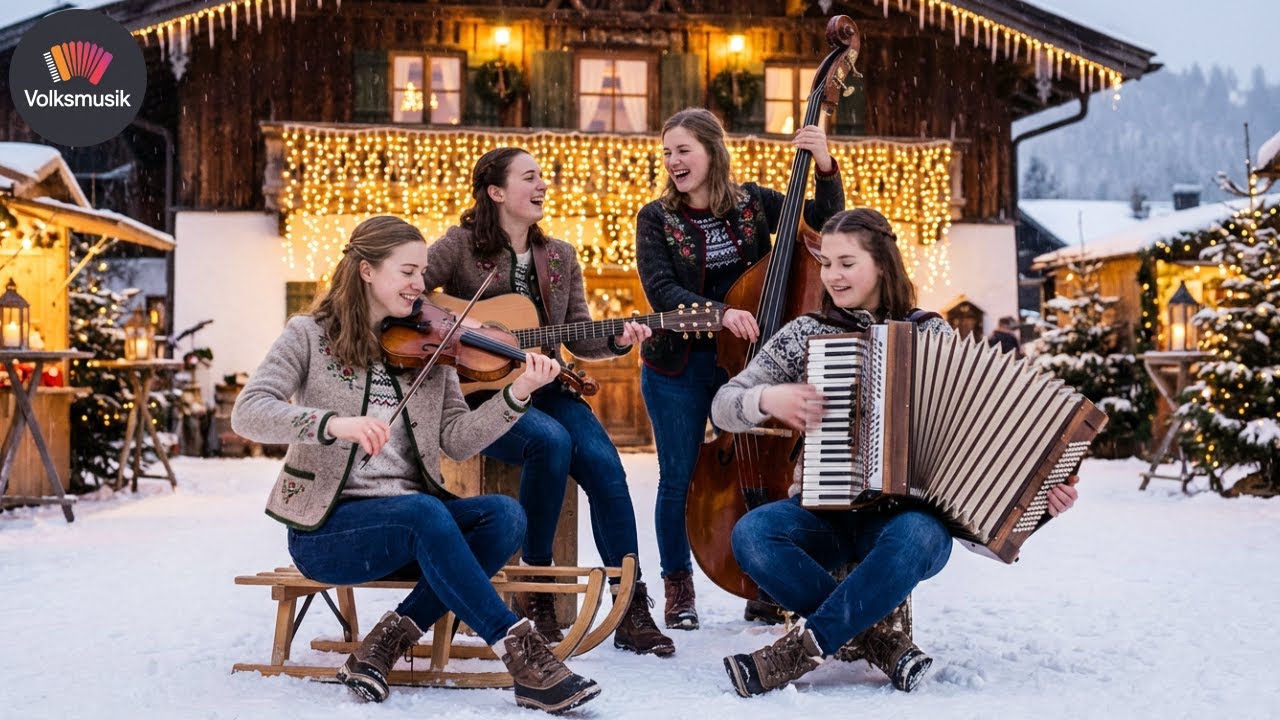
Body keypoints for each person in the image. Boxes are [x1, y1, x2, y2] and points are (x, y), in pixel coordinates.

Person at [231, 216, 600, 714]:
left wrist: (517, 393)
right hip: (329, 532)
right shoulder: (309, 336)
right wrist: (332, 424)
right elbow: (249, 412)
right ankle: (525, 659)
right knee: (423, 512)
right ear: (366, 271)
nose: (419, 285)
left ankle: (384, 644)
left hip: (416, 531)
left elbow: (458, 440)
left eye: (423, 272)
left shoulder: (433, 347)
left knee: (505, 516)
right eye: (407, 272)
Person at [710, 208, 1081, 696]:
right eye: (826, 263)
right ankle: (881, 643)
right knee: (752, 535)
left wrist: (1038, 504)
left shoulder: (933, 336)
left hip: (901, 524)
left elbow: (976, 448)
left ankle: (803, 649)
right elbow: (723, 407)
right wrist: (766, 399)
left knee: (921, 535)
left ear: (882, 264)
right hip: (823, 515)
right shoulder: (804, 334)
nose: (832, 276)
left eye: (847, 263)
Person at [422, 147, 674, 657]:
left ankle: (629, 603)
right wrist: (467, 329)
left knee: (605, 464)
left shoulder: (559, 256)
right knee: (550, 441)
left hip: (548, 383)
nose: (542, 185)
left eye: (542, 177)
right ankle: (534, 586)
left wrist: (618, 339)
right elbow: (408, 294)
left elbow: (578, 333)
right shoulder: (459, 246)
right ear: (496, 192)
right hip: (479, 395)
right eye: (530, 177)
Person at [635, 107, 845, 630]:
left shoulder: (753, 203)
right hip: (679, 364)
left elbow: (824, 224)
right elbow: (661, 291)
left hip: (751, 362)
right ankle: (678, 586)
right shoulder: (656, 218)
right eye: (667, 152)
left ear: (712, 151)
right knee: (678, 477)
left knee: (768, 469)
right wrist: (721, 313)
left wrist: (824, 164)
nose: (673, 161)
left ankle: (766, 580)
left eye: (683, 150)